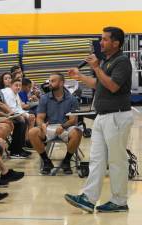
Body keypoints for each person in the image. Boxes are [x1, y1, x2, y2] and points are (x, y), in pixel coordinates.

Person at [65, 27, 134, 213]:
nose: (100, 43)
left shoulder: (122, 61)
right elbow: (99, 84)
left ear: (116, 43)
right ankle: (88, 198)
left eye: (104, 39)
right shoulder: (106, 61)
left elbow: (112, 86)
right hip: (102, 116)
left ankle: (119, 201)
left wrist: (95, 67)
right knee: (96, 159)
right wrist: (80, 76)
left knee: (117, 160)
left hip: (117, 116)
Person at [28, 73, 82, 175]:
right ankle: (46, 161)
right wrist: (42, 125)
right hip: (49, 127)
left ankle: (66, 161)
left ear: (61, 83)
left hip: (66, 127)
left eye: (53, 81)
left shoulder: (72, 99)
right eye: (50, 81)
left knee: (77, 132)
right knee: (32, 132)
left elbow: (73, 120)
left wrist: (63, 126)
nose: (50, 84)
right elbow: (39, 118)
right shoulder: (44, 98)